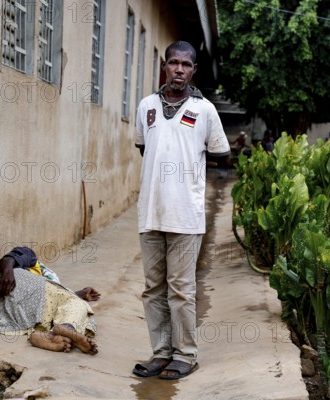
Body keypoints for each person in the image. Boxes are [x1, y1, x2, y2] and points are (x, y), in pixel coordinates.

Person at [133, 41, 230, 380]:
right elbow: (146, 148)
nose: (178, 69)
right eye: (173, 63)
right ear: (164, 66)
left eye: (185, 65)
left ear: (193, 71)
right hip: (150, 213)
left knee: (181, 289)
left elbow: (222, 154)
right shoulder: (146, 106)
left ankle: (185, 355)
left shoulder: (205, 110)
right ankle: (161, 353)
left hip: (186, 216)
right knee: (152, 289)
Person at [0, 246, 100, 354]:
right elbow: (12, 257)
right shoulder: (33, 266)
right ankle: (67, 328)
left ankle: (51, 336)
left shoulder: (53, 294)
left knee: (56, 314)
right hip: (17, 282)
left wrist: (79, 293)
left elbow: (53, 298)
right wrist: (7, 271)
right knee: (82, 311)